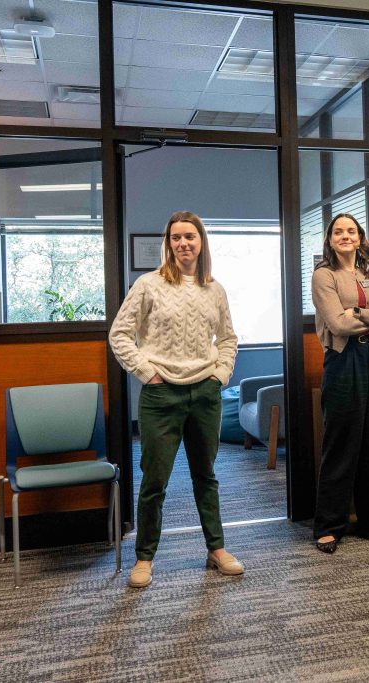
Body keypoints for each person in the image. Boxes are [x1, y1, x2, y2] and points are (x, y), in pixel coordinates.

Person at [109, 210, 243, 587]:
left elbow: (228, 338)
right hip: (160, 394)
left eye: (190, 236)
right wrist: (146, 372)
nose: (183, 243)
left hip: (204, 392)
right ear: (168, 243)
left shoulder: (214, 289)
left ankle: (216, 549)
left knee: (206, 476)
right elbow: (120, 335)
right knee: (154, 480)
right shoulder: (148, 285)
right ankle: (145, 558)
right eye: (176, 237)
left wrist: (220, 374)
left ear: (201, 242)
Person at [311, 213, 369, 554]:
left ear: (361, 238)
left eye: (351, 231)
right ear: (330, 239)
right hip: (343, 361)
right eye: (338, 231)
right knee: (341, 444)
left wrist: (356, 313)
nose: (345, 236)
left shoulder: (368, 273)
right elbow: (337, 325)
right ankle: (328, 526)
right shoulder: (324, 275)